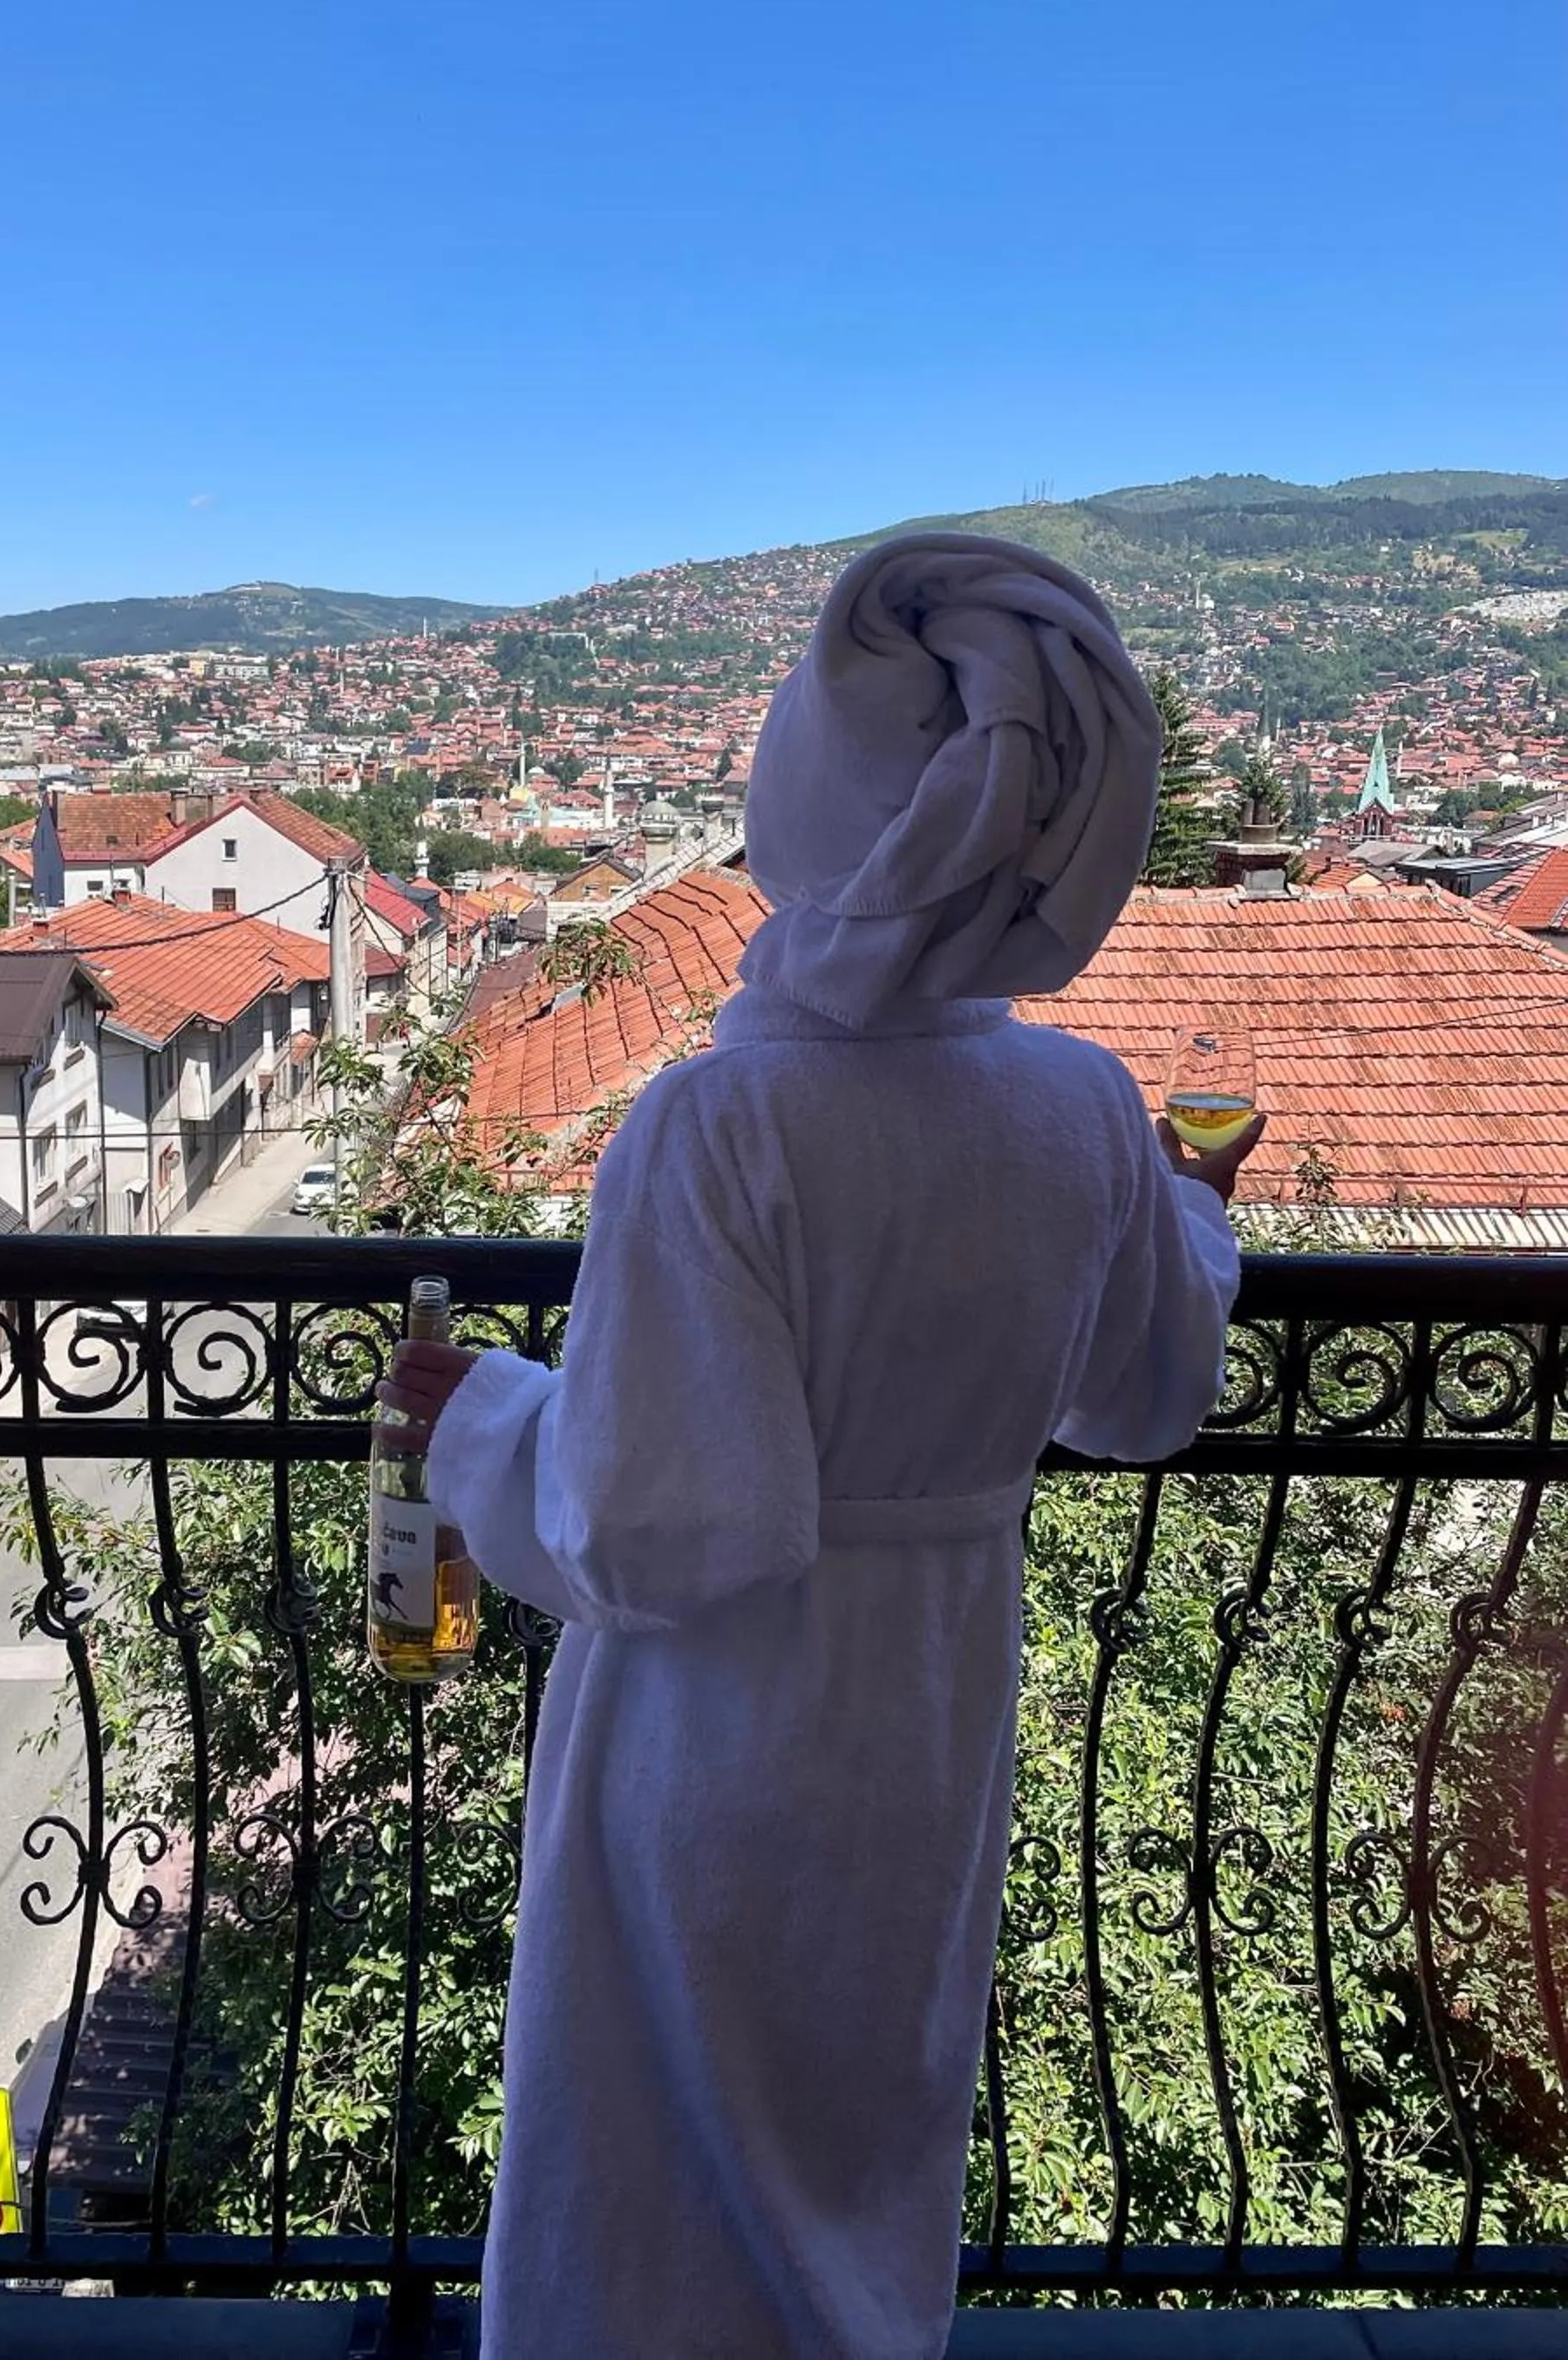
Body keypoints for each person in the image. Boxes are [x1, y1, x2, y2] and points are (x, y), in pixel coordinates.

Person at [377, 534, 1259, 2359]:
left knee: (661, 2194)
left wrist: (478, 1427)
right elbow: (1143, 1399)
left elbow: (660, 1534)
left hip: (718, 1739)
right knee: (862, 2151)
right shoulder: (1082, 1107)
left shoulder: (720, 1123)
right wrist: (1190, 1209)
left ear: (821, 804)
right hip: (930, 1717)